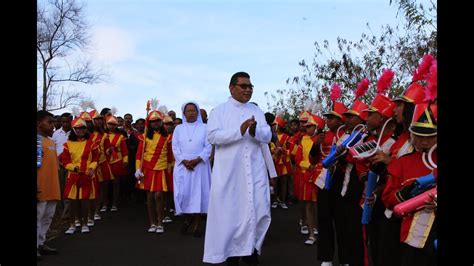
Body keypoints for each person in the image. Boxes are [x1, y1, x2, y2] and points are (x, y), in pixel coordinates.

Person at [203, 72, 273, 266]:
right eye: (244, 86)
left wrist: (254, 131)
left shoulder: (256, 110)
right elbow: (213, 137)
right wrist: (239, 131)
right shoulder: (219, 111)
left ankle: (252, 250)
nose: (248, 89)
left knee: (259, 209)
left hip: (255, 169)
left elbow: (267, 135)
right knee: (231, 213)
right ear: (231, 87)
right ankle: (232, 254)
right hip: (230, 173)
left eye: (251, 86)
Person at [382, 102, 437, 266]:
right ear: (412, 135)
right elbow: (388, 198)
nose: (424, 142)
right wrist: (405, 194)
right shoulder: (402, 163)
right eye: (420, 136)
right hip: (411, 238)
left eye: (430, 136)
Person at [172, 101, 212, 238]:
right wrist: (184, 161)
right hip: (183, 165)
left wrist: (196, 160)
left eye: (193, 110)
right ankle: (188, 218)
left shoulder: (205, 127)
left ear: (197, 112)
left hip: (200, 165)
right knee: (183, 194)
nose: (191, 113)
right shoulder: (178, 129)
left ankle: (197, 224)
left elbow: (209, 146)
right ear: (184, 113)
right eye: (188, 111)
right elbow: (175, 147)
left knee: (199, 194)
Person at [60, 117, 100, 235]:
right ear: (74, 130)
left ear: (86, 130)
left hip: (87, 175)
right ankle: (72, 224)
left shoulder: (92, 143)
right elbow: (65, 161)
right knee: (73, 202)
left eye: (83, 128)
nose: (81, 130)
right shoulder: (67, 144)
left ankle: (85, 223)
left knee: (85, 201)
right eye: (78, 128)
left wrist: (92, 168)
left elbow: (96, 158)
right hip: (73, 175)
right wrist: (74, 168)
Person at [135, 110, 171, 234]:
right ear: (149, 123)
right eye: (152, 121)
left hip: (161, 169)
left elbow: (170, 156)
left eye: (157, 121)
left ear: (161, 122)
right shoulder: (144, 137)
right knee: (150, 197)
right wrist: (137, 169)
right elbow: (139, 155)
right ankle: (153, 222)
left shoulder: (168, 137)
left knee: (159, 196)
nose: (155, 123)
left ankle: (160, 222)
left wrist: (170, 169)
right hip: (147, 169)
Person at [37, 110, 61, 260]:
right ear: (39, 123)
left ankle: (41, 243)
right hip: (40, 189)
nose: (53, 126)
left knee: (47, 218)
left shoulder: (50, 141)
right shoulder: (37, 142)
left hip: (52, 187)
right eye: (50, 122)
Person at [106, 115, 129, 211]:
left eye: (114, 124)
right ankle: (105, 203)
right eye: (110, 124)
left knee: (116, 183)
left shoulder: (121, 136)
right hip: (106, 161)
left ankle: (115, 203)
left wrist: (125, 160)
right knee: (106, 184)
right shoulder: (104, 135)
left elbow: (124, 150)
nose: (112, 126)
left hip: (117, 161)